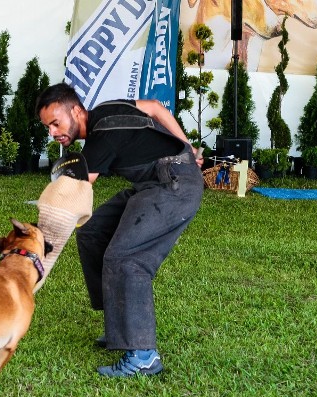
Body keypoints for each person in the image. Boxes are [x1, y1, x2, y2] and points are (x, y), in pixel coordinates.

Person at [36, 83, 204, 377]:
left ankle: (144, 356)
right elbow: (153, 106)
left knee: (126, 257)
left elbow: (74, 194)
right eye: (48, 127)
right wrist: (187, 146)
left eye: (55, 123)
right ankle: (119, 323)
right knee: (93, 231)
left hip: (175, 186)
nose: (53, 133)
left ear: (76, 111)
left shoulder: (101, 136)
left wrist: (40, 239)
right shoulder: (106, 110)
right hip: (154, 184)